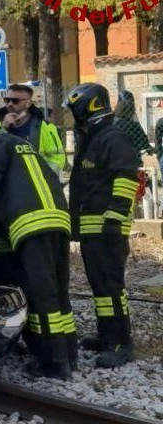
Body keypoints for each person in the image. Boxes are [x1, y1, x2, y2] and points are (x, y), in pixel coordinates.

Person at [0, 128, 74, 379]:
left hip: (31, 224)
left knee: (42, 295)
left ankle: (53, 363)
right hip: (59, 221)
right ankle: (69, 353)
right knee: (59, 291)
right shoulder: (25, 148)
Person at [64, 83, 140, 368]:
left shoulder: (112, 137)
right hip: (92, 230)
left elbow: (126, 178)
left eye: (75, 110)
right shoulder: (93, 138)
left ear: (89, 106)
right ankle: (107, 336)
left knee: (111, 288)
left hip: (107, 230)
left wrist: (115, 220)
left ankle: (121, 343)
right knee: (100, 288)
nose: (72, 116)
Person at [0, 84, 66, 173]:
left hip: (35, 182)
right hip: (7, 181)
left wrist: (45, 176)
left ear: (28, 103)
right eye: (7, 100)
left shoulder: (44, 127)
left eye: (15, 101)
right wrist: (3, 129)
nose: (10, 104)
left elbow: (57, 157)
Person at [113, 91, 153, 155]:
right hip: (131, 157)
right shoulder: (132, 124)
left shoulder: (111, 121)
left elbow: (143, 141)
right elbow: (143, 141)